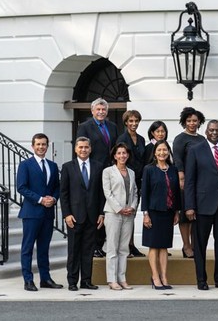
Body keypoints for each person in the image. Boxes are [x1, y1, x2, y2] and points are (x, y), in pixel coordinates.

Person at [185, 120, 218, 291]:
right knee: (200, 245)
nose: (214, 133)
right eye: (211, 130)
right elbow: (190, 181)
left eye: (217, 130)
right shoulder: (195, 150)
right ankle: (201, 279)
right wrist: (189, 206)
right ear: (206, 131)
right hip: (202, 206)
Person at [16, 133, 63, 291]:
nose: (41, 147)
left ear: (47, 146)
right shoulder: (25, 165)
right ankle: (28, 280)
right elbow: (21, 187)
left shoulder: (53, 166)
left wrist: (54, 199)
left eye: (44, 144)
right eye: (38, 144)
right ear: (33, 146)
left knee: (44, 248)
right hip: (31, 213)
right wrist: (40, 199)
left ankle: (45, 279)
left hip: (48, 214)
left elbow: (57, 187)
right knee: (27, 248)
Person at [60, 136, 104, 291]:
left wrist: (101, 213)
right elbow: (63, 193)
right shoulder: (67, 167)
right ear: (75, 149)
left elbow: (101, 193)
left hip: (92, 217)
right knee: (73, 251)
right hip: (74, 217)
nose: (83, 150)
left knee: (88, 250)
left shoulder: (98, 167)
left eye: (86, 147)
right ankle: (72, 281)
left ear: (90, 149)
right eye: (81, 147)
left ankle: (86, 281)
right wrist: (66, 214)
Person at [76, 98, 118, 258]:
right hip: (93, 171)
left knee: (105, 206)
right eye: (98, 109)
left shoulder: (112, 127)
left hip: (110, 172)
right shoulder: (84, 127)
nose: (101, 112)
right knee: (95, 206)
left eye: (103, 109)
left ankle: (102, 243)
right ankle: (94, 245)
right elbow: (82, 149)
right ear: (92, 111)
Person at [141, 140, 180, 290]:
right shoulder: (149, 169)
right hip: (153, 212)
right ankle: (155, 276)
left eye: (165, 150)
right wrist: (145, 214)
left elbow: (176, 192)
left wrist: (177, 211)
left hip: (168, 212)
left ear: (168, 151)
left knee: (164, 247)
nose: (162, 153)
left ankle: (164, 276)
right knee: (154, 246)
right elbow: (144, 193)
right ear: (155, 153)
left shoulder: (173, 169)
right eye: (159, 150)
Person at [102, 143, 138, 290]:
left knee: (124, 248)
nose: (122, 156)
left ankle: (122, 278)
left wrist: (133, 207)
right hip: (113, 213)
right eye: (119, 153)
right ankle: (112, 279)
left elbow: (135, 192)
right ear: (114, 156)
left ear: (128, 155)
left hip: (129, 214)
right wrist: (119, 208)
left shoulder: (131, 172)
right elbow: (107, 193)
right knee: (112, 247)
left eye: (124, 153)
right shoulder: (108, 172)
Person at [172, 107, 206, 259]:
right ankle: (186, 246)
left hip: (200, 182)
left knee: (196, 216)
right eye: (189, 121)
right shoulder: (180, 139)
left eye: (195, 121)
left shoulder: (202, 139)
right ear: (184, 122)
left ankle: (194, 245)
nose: (192, 123)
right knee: (185, 215)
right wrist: (181, 177)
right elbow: (178, 159)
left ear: (199, 122)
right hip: (185, 181)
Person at [115, 110, 146, 258]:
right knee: (124, 214)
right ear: (126, 122)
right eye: (131, 121)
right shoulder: (122, 138)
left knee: (132, 213)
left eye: (136, 121)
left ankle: (131, 244)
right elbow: (119, 159)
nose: (134, 124)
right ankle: (124, 246)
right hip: (125, 179)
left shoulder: (141, 139)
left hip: (138, 180)